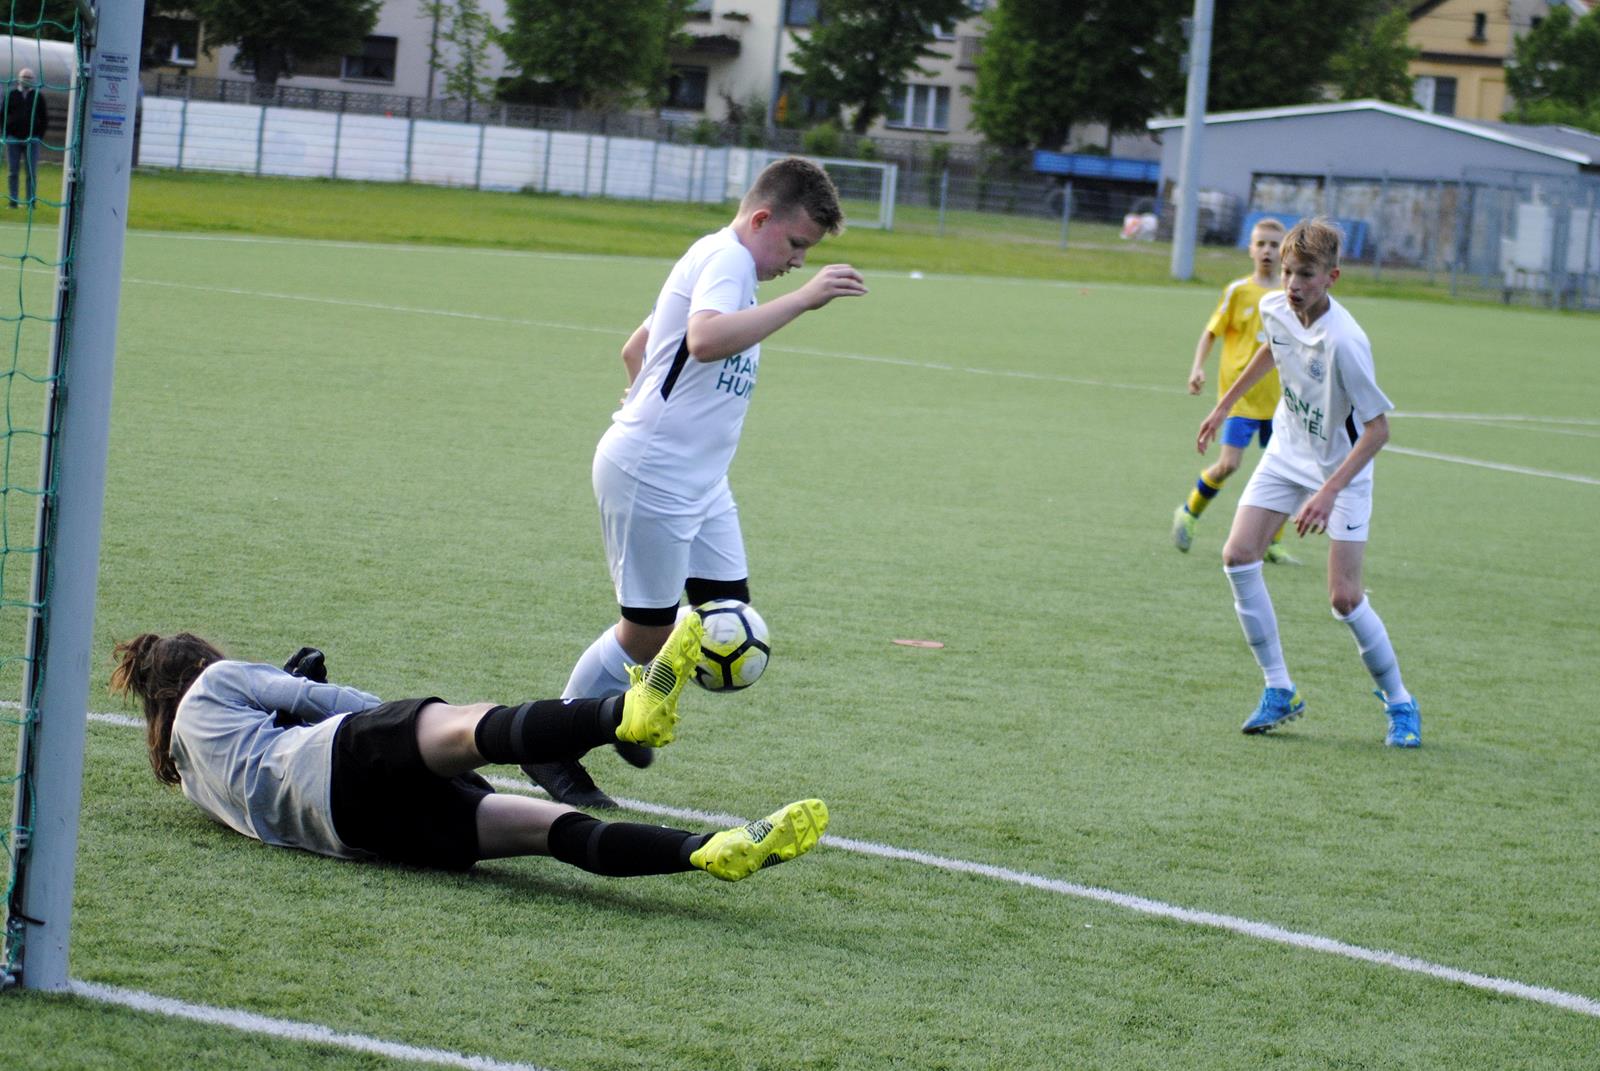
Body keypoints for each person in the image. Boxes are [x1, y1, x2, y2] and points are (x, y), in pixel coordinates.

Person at [531, 156, 868, 807]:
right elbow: (705, 339)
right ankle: (554, 742)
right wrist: (802, 300)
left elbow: (637, 348)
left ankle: (634, 701)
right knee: (647, 631)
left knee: (724, 614)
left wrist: (659, 409)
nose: (799, 260)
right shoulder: (729, 261)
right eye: (796, 243)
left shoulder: (725, 265)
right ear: (762, 218)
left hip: (701, 481)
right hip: (655, 475)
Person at [107, 611, 831, 880]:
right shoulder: (218, 680)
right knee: (474, 726)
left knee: (547, 832)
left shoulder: (184, 775)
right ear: (196, 663)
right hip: (339, 754)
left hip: (353, 833)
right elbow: (323, 703)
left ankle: (703, 850)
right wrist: (400, 717)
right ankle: (622, 712)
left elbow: (258, 776)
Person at [1196, 217, 1421, 747]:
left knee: (1344, 598)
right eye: (1289, 272)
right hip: (1288, 451)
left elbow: (1378, 431)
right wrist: (1224, 405)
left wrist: (1328, 492)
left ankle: (1401, 704)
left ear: (1333, 277)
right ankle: (1279, 689)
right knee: (1238, 555)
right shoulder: (1276, 306)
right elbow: (1274, 350)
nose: (1294, 284)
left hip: (1343, 469)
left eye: (1307, 275)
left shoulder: (1347, 342)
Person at [1172, 217, 1297, 564]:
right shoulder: (1238, 290)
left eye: (1275, 244)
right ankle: (1189, 512)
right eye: (1261, 244)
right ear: (1251, 249)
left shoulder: (1291, 294)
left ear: (1284, 249)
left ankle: (1272, 541)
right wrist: (1198, 366)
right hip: (1241, 398)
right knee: (1229, 464)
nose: (1268, 251)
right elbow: (1211, 331)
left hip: (1280, 401)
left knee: (1286, 471)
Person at [3, 68, 48, 209]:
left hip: (32, 140)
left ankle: (31, 202)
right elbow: (3, 114)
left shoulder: (37, 96)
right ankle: (13, 201)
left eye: (29, 77)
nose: (27, 79)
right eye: (25, 77)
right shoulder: (11, 94)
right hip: (13, 139)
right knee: (13, 172)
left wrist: (39, 135)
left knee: (31, 172)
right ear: (19, 78)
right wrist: (5, 133)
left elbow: (44, 118)